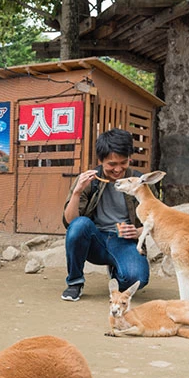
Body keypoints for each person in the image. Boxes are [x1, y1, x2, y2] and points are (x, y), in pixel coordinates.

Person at [61, 128, 151, 302]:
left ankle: (117, 269)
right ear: (100, 160)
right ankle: (75, 282)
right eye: (111, 164)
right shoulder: (89, 180)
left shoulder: (139, 182)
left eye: (123, 163)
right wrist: (77, 192)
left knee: (137, 279)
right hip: (95, 239)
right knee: (80, 225)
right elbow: (70, 222)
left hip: (124, 241)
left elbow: (156, 219)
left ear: (129, 159)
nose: (118, 169)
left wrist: (139, 232)